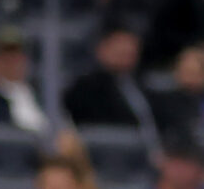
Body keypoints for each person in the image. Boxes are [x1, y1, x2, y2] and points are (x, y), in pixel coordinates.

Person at [62, 23, 162, 151]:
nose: (127, 50)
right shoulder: (85, 87)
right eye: (120, 46)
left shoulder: (142, 85)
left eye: (131, 46)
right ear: (102, 49)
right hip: (111, 154)